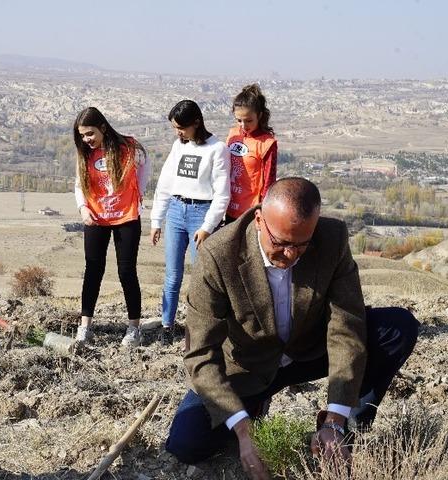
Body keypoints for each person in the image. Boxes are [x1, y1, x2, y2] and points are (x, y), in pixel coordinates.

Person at [164, 178, 419, 479]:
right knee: (186, 444)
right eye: (281, 243)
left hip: (308, 352)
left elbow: (346, 325)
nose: (291, 255)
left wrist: (334, 420)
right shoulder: (218, 255)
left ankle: (346, 431)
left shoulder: (332, 238)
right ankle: (253, 408)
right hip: (247, 367)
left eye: (301, 245)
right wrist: (243, 430)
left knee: (397, 327)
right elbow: (201, 353)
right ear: (259, 219)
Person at [150, 100, 230, 346]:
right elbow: (165, 183)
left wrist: (207, 227)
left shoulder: (217, 148)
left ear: (196, 122)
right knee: (172, 275)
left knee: (201, 278)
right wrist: (157, 219)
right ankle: (167, 325)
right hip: (176, 210)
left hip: (201, 213)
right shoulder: (179, 146)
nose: (178, 133)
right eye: (175, 128)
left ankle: (200, 329)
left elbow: (222, 193)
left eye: (181, 128)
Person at [73, 107, 150, 347]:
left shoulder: (129, 147)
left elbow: (146, 166)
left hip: (126, 217)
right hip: (96, 217)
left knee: (126, 272)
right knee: (93, 270)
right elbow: (78, 184)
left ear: (103, 128)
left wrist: (139, 192)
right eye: (83, 135)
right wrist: (83, 208)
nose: (87, 139)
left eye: (90, 133)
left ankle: (134, 328)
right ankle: (85, 326)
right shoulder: (85, 153)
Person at [225, 84, 278, 223]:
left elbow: (269, 180)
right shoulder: (233, 134)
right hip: (227, 206)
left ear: (259, 115)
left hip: (250, 212)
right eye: (239, 120)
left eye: (248, 120)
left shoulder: (267, 143)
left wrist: (264, 209)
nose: (243, 125)